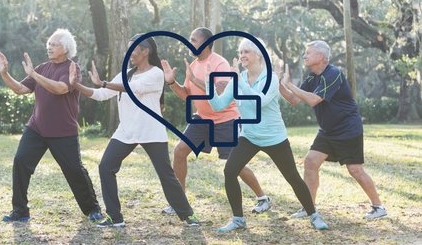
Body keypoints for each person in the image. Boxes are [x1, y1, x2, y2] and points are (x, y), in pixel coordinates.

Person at [69, 34, 199, 227]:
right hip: (126, 131)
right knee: (105, 167)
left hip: (151, 130)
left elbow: (133, 89)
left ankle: (188, 215)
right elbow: (102, 94)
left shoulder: (156, 74)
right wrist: (77, 85)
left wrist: (103, 82)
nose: (129, 53)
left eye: (133, 49)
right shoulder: (126, 73)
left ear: (145, 51)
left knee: (166, 174)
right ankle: (115, 217)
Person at [206, 38, 328, 231]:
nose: (242, 56)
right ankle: (238, 219)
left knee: (292, 177)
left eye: (247, 52)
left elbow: (258, 102)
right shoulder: (238, 79)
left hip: (274, 138)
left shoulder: (270, 78)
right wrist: (208, 85)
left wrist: (239, 81)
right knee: (230, 171)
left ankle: (313, 215)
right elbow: (218, 105)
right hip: (249, 136)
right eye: (240, 53)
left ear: (259, 54)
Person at [161, 28, 271, 215]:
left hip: (225, 119)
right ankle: (179, 202)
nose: (189, 43)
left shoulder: (219, 62)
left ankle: (263, 198)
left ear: (206, 43)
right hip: (202, 119)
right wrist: (172, 83)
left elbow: (219, 89)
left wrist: (195, 80)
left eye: (193, 40)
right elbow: (187, 96)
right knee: (179, 151)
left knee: (235, 165)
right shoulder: (193, 65)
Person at [0, 28, 102, 222]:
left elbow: (61, 89)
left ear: (66, 48)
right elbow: (21, 89)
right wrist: (5, 74)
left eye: (54, 44)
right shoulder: (41, 68)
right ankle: (20, 210)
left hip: (63, 131)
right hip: (36, 128)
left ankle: (93, 209)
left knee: (74, 170)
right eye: (49, 44)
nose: (49, 47)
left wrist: (35, 76)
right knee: (20, 161)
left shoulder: (73, 68)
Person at [276, 40, 387, 220]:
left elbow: (313, 100)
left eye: (308, 52)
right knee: (311, 162)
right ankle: (309, 208)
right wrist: (280, 83)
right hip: (327, 130)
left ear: (320, 56)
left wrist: (289, 84)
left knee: (355, 170)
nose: (304, 56)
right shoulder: (312, 77)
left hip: (347, 128)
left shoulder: (333, 73)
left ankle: (379, 207)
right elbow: (294, 99)